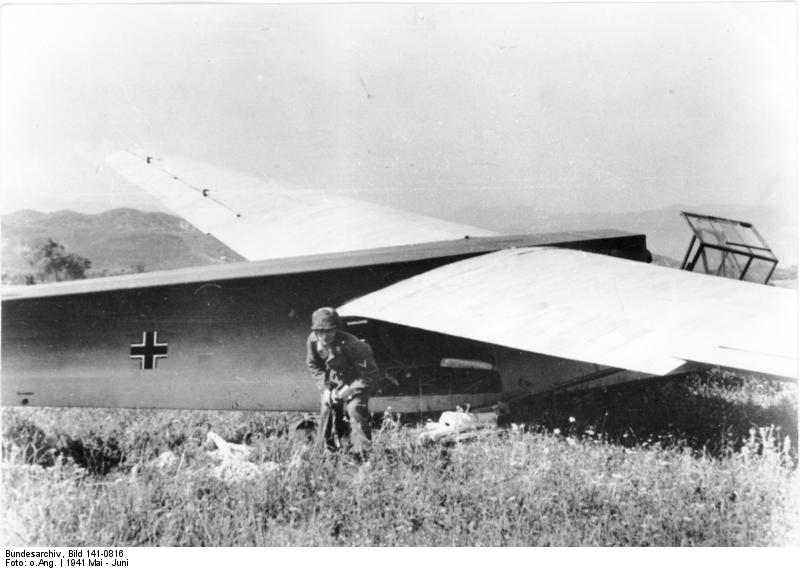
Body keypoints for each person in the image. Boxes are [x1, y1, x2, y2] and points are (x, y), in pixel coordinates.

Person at [306, 307, 379, 457]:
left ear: (336, 329)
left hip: (357, 381)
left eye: (329, 331)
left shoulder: (353, 344)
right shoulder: (313, 340)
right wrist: (325, 389)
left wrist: (349, 390)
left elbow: (370, 374)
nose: (325, 336)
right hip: (335, 381)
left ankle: (363, 455)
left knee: (354, 408)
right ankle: (324, 452)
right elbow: (313, 365)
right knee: (327, 407)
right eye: (320, 331)